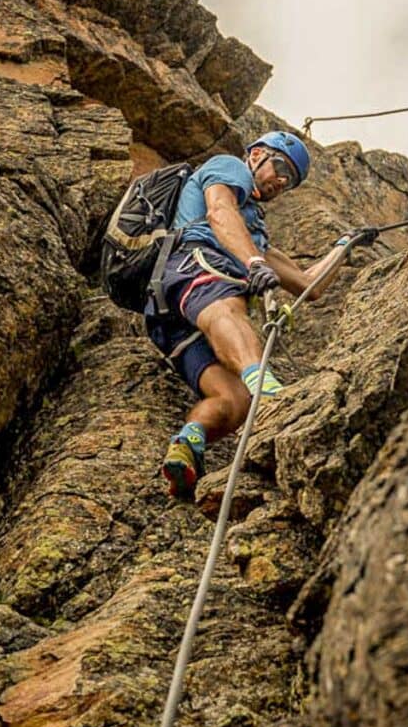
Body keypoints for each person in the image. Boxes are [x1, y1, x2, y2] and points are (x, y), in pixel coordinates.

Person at [145, 131, 348, 498]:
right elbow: (219, 211)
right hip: (194, 265)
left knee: (233, 399)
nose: (282, 182)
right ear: (256, 154)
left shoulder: (251, 232)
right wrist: (252, 263)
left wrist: (344, 247)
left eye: (290, 182)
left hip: (172, 313)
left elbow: (308, 286)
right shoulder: (230, 168)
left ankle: (188, 443)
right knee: (229, 305)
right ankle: (265, 387)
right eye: (281, 167)